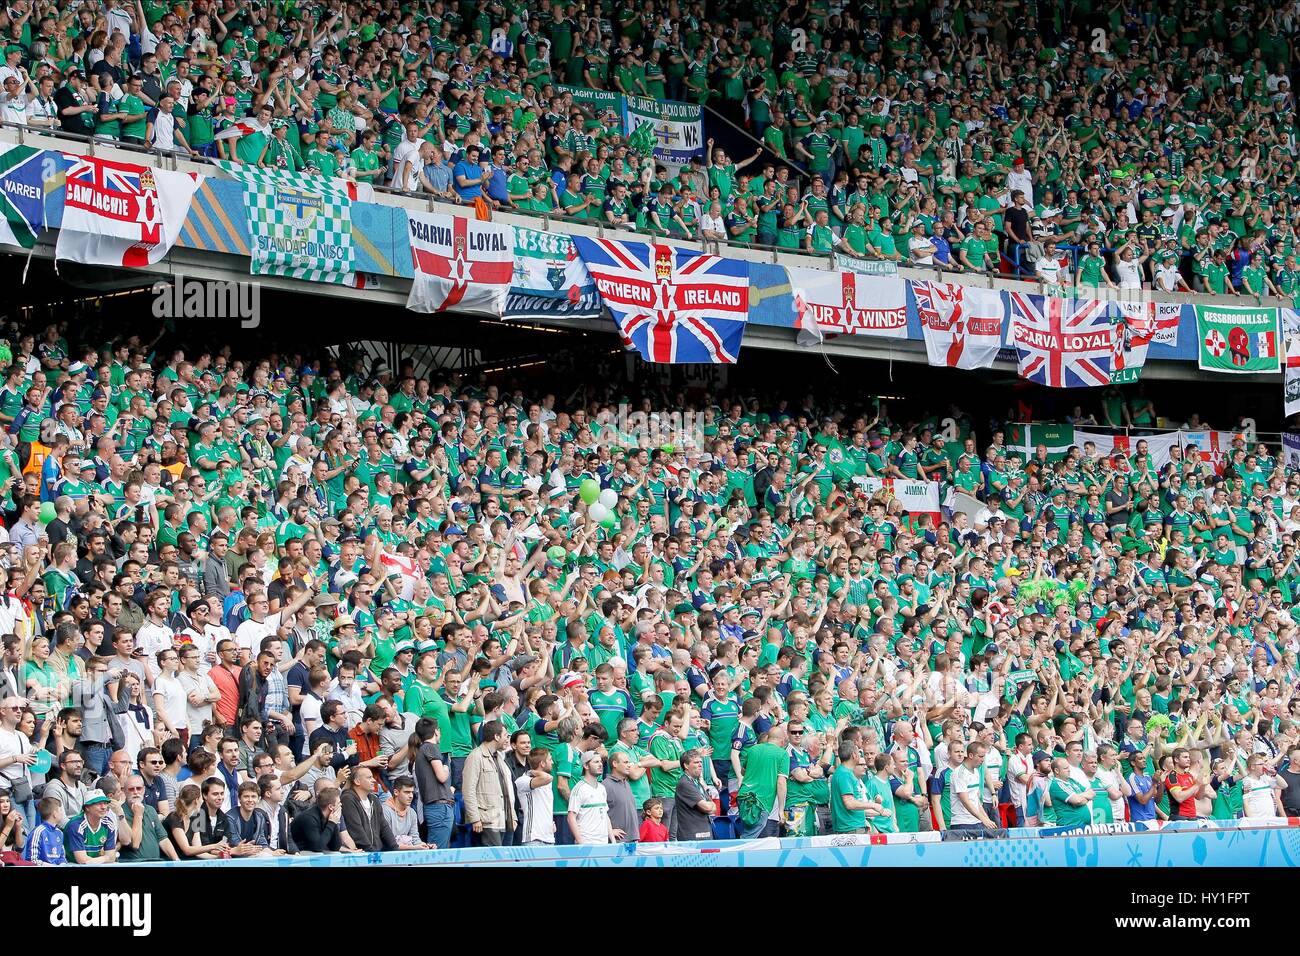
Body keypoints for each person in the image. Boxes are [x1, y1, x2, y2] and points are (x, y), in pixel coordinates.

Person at [461, 719, 516, 847]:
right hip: (487, 820)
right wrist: (475, 819)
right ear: (496, 737)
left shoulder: (499, 757)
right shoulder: (475, 756)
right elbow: (468, 790)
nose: (507, 739)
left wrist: (512, 816)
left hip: (503, 818)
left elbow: (506, 789)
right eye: (505, 736)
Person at [567, 750, 619, 845]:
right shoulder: (579, 789)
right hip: (587, 843)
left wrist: (613, 840)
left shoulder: (602, 788)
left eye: (600, 762)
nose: (600, 765)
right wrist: (580, 842)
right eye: (596, 762)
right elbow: (571, 817)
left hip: (603, 843)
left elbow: (605, 814)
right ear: (586, 766)